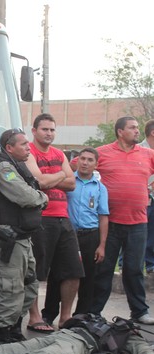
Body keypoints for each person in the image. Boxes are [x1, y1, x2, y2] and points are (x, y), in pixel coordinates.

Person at [87, 116, 154, 324]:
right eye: (132, 128)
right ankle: (94, 312)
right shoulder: (103, 152)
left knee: (134, 269)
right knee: (104, 269)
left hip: (138, 222)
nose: (137, 131)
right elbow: (79, 165)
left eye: (136, 127)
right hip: (110, 223)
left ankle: (139, 311)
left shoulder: (148, 154)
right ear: (120, 131)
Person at [0, 128, 48, 347]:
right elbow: (25, 196)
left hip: (23, 238)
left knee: (29, 286)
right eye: (23, 144)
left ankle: (14, 329)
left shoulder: (16, 165)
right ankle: (3, 340)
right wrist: (42, 197)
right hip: (8, 241)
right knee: (10, 289)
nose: (28, 147)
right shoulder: (3, 168)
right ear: (9, 148)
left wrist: (38, 196)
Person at [24, 113, 83, 330]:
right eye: (44, 129)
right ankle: (35, 317)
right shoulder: (28, 151)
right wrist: (61, 174)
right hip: (40, 219)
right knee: (36, 272)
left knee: (73, 270)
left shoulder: (59, 153)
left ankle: (65, 317)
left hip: (63, 219)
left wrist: (52, 178)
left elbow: (72, 184)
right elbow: (38, 181)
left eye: (52, 130)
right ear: (34, 131)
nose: (49, 133)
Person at [0, 313, 154, 354]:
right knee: (23, 347)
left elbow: (147, 353)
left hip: (83, 344)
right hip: (68, 334)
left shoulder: (133, 338)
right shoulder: (113, 325)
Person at [65, 148, 109, 315]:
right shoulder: (68, 182)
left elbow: (103, 216)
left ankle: (81, 316)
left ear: (96, 164)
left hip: (90, 235)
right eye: (82, 158)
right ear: (77, 160)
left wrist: (102, 245)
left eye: (90, 160)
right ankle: (50, 314)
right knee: (61, 275)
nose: (85, 162)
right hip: (68, 235)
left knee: (88, 278)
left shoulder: (100, 188)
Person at [139, 119, 154, 273]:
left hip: (153, 199)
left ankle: (150, 264)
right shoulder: (138, 150)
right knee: (134, 233)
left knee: (152, 234)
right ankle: (124, 265)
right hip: (140, 199)